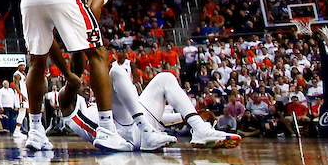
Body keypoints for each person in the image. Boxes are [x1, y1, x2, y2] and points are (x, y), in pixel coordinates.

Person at [20, 0, 130, 152]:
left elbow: (48, 45)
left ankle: (36, 131)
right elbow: (91, 11)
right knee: (99, 54)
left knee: (36, 62)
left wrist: (68, 73)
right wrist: (78, 55)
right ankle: (107, 130)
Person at [51, 43, 239, 150]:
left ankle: (199, 129)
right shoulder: (67, 103)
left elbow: (149, 113)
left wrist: (185, 117)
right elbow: (74, 77)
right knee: (115, 72)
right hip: (121, 135)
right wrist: (78, 41)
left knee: (165, 77)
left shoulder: (98, 97)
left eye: (85, 83)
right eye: (80, 83)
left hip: (140, 124)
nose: (85, 85)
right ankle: (147, 133)